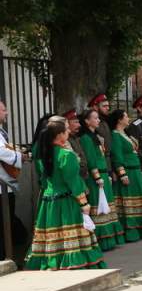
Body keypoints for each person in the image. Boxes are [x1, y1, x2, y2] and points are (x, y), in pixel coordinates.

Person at [24, 117, 105, 270]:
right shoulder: (66, 155)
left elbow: (44, 178)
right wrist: (84, 203)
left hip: (49, 202)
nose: (69, 132)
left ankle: (53, 262)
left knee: (53, 233)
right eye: (66, 130)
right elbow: (73, 182)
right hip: (67, 200)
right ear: (60, 135)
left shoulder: (43, 153)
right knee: (71, 233)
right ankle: (73, 262)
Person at [78, 108, 125, 251]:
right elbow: (91, 159)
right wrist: (97, 176)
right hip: (96, 177)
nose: (98, 120)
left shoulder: (96, 136)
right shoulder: (86, 138)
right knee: (99, 207)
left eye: (98, 118)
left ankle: (111, 238)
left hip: (104, 174)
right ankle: (100, 240)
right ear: (87, 121)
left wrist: (108, 174)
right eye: (95, 118)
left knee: (107, 206)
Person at [109, 109, 142, 242]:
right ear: (119, 119)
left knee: (141, 200)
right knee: (129, 202)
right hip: (128, 171)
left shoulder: (125, 133)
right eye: (126, 116)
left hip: (136, 170)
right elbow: (117, 155)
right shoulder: (115, 135)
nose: (128, 118)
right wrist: (122, 173)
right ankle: (130, 231)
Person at [0, 100, 29, 260]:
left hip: (6, 184)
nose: (7, 113)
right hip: (2, 187)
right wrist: (19, 156)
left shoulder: (1, 131)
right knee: (6, 225)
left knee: (9, 225)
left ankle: (8, 257)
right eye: (4, 110)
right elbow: (1, 152)